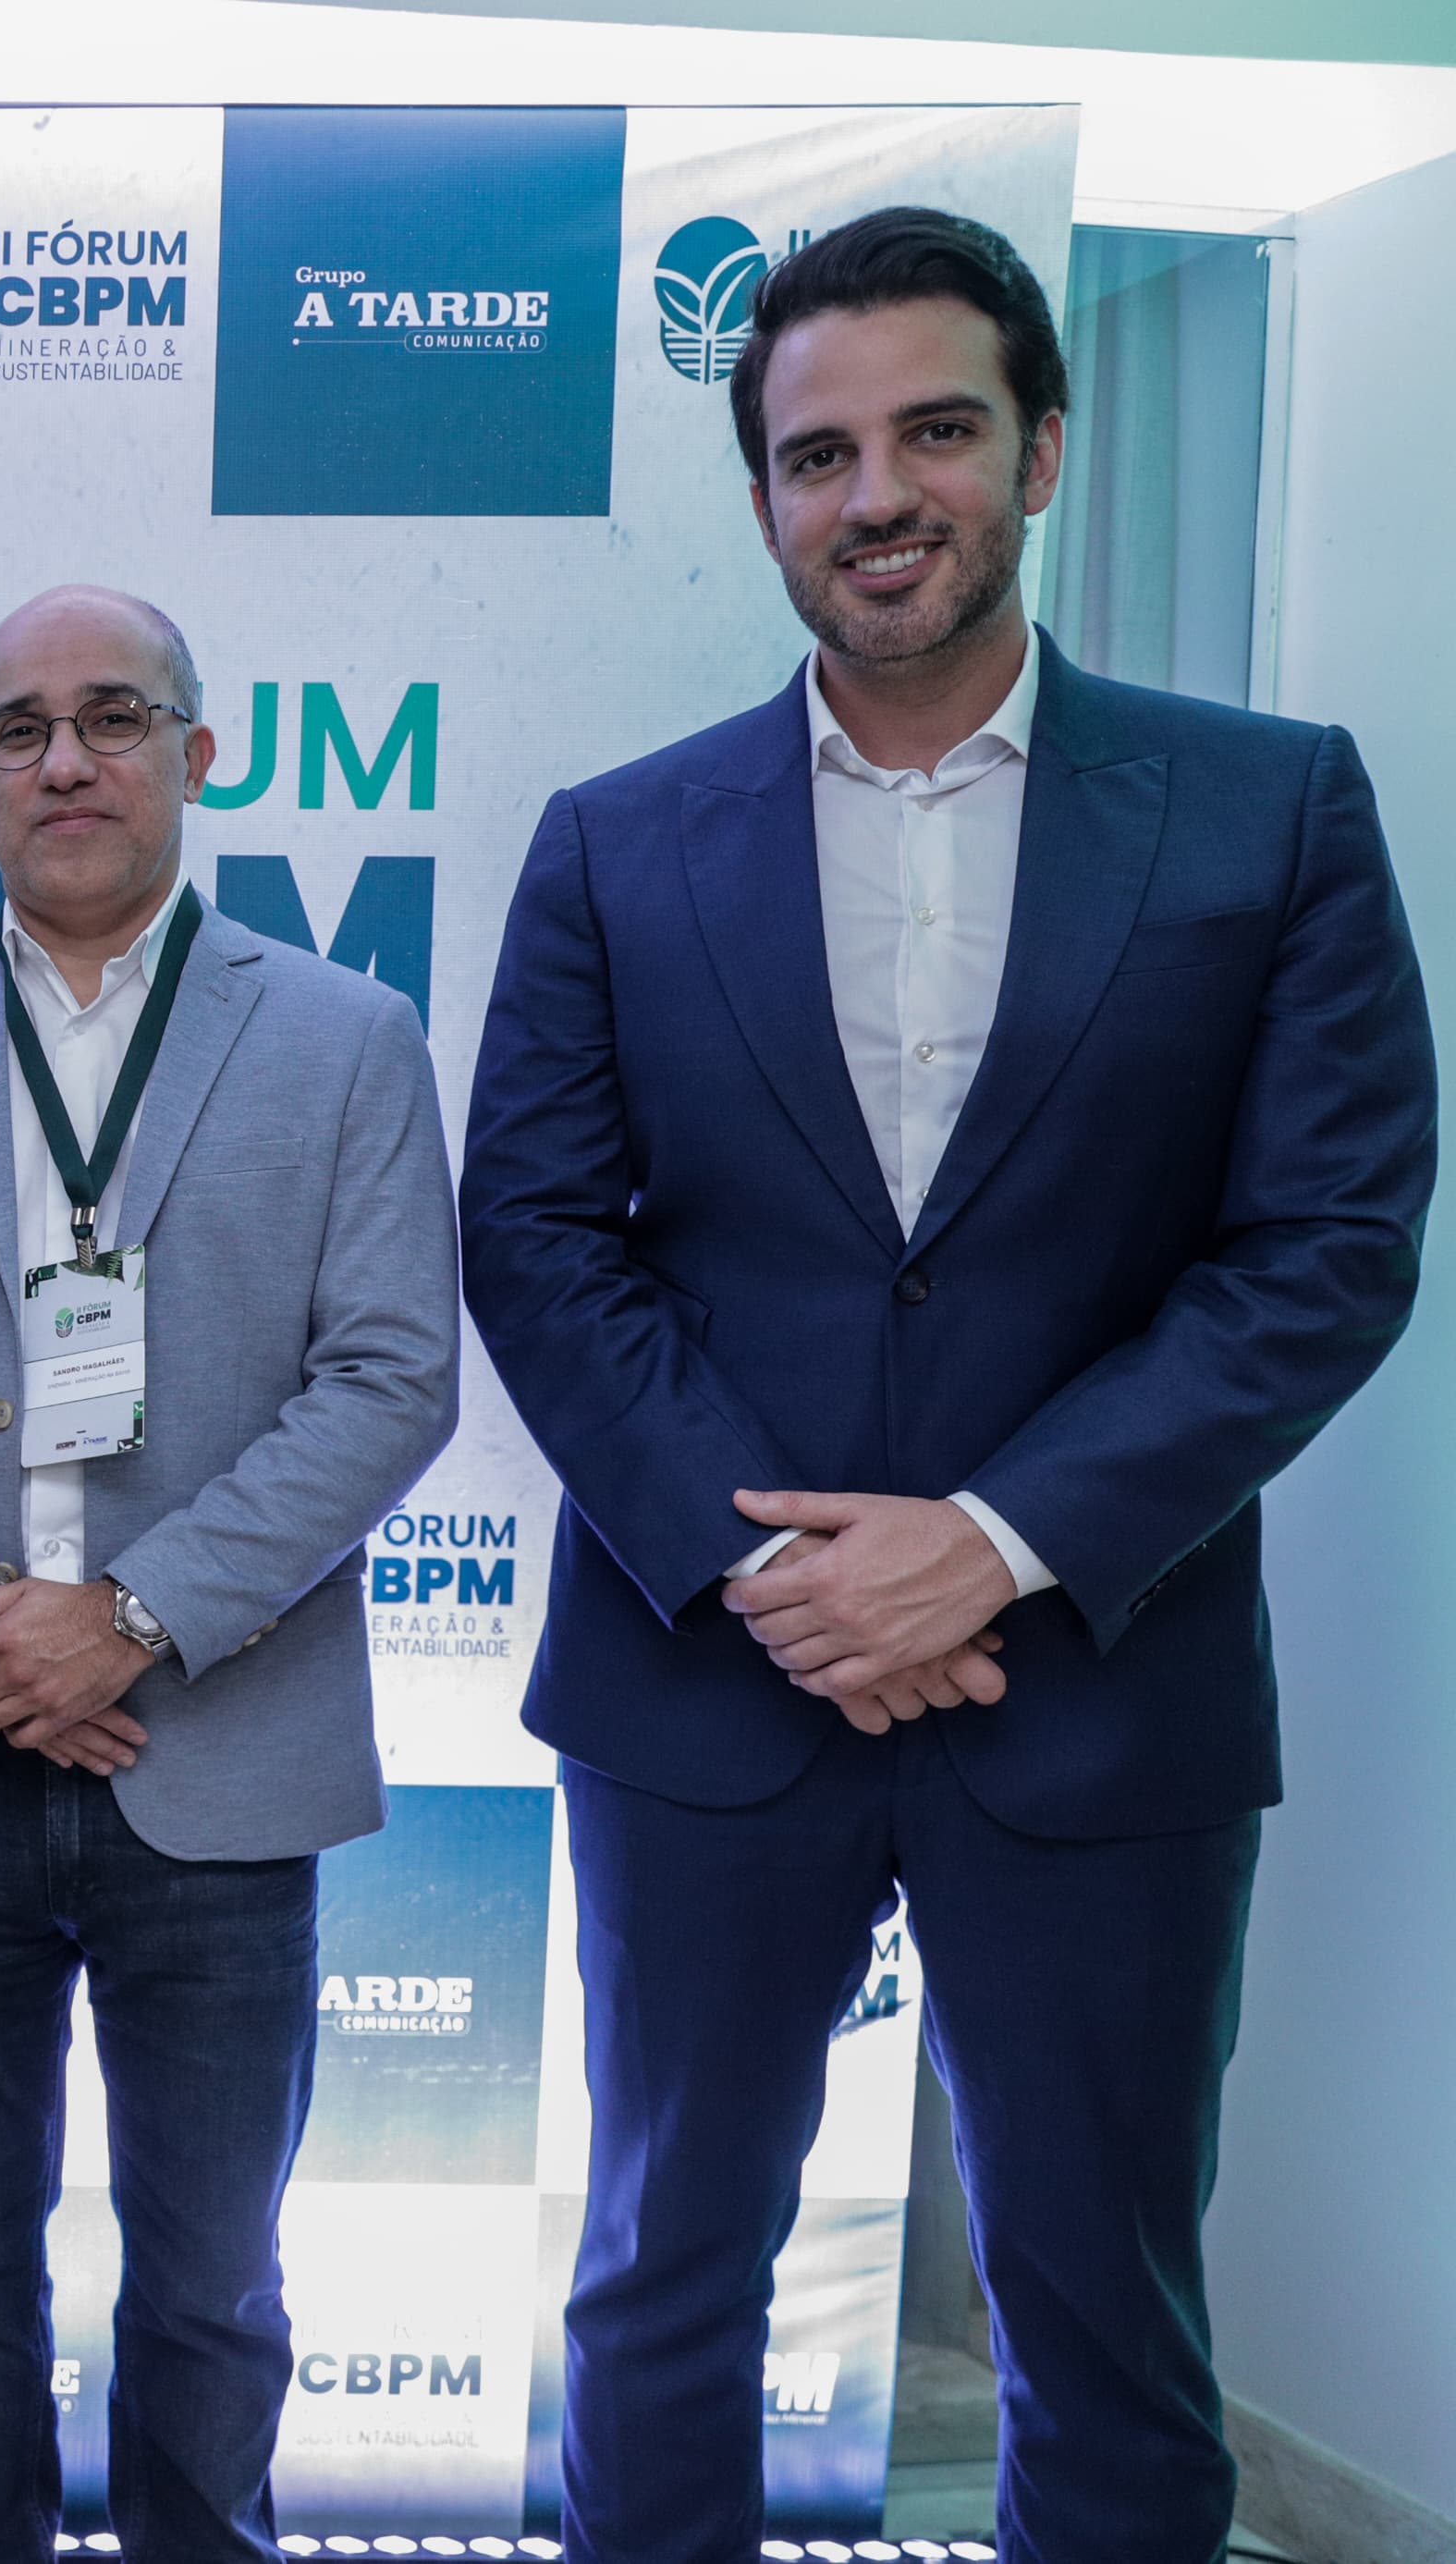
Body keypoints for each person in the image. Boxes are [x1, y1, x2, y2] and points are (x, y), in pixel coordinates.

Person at [460, 206, 1433, 2561]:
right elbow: (533, 1237)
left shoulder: (1267, 810)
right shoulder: (615, 845)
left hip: (1097, 1677)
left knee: (1099, 2310)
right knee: (660, 2278)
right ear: (768, 498)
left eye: (932, 431)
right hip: (714, 1682)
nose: (873, 491)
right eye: (815, 453)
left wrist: (987, 1547)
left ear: (1041, 453)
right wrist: (776, 1572)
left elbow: (1321, 1248)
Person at [0, 584, 459, 2563]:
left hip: (222, 1759)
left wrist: (134, 1612)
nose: (65, 759)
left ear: (202, 751)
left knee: (208, 2295)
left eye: (113, 716)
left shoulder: (346, 1033)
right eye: (16, 728)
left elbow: (393, 1377)